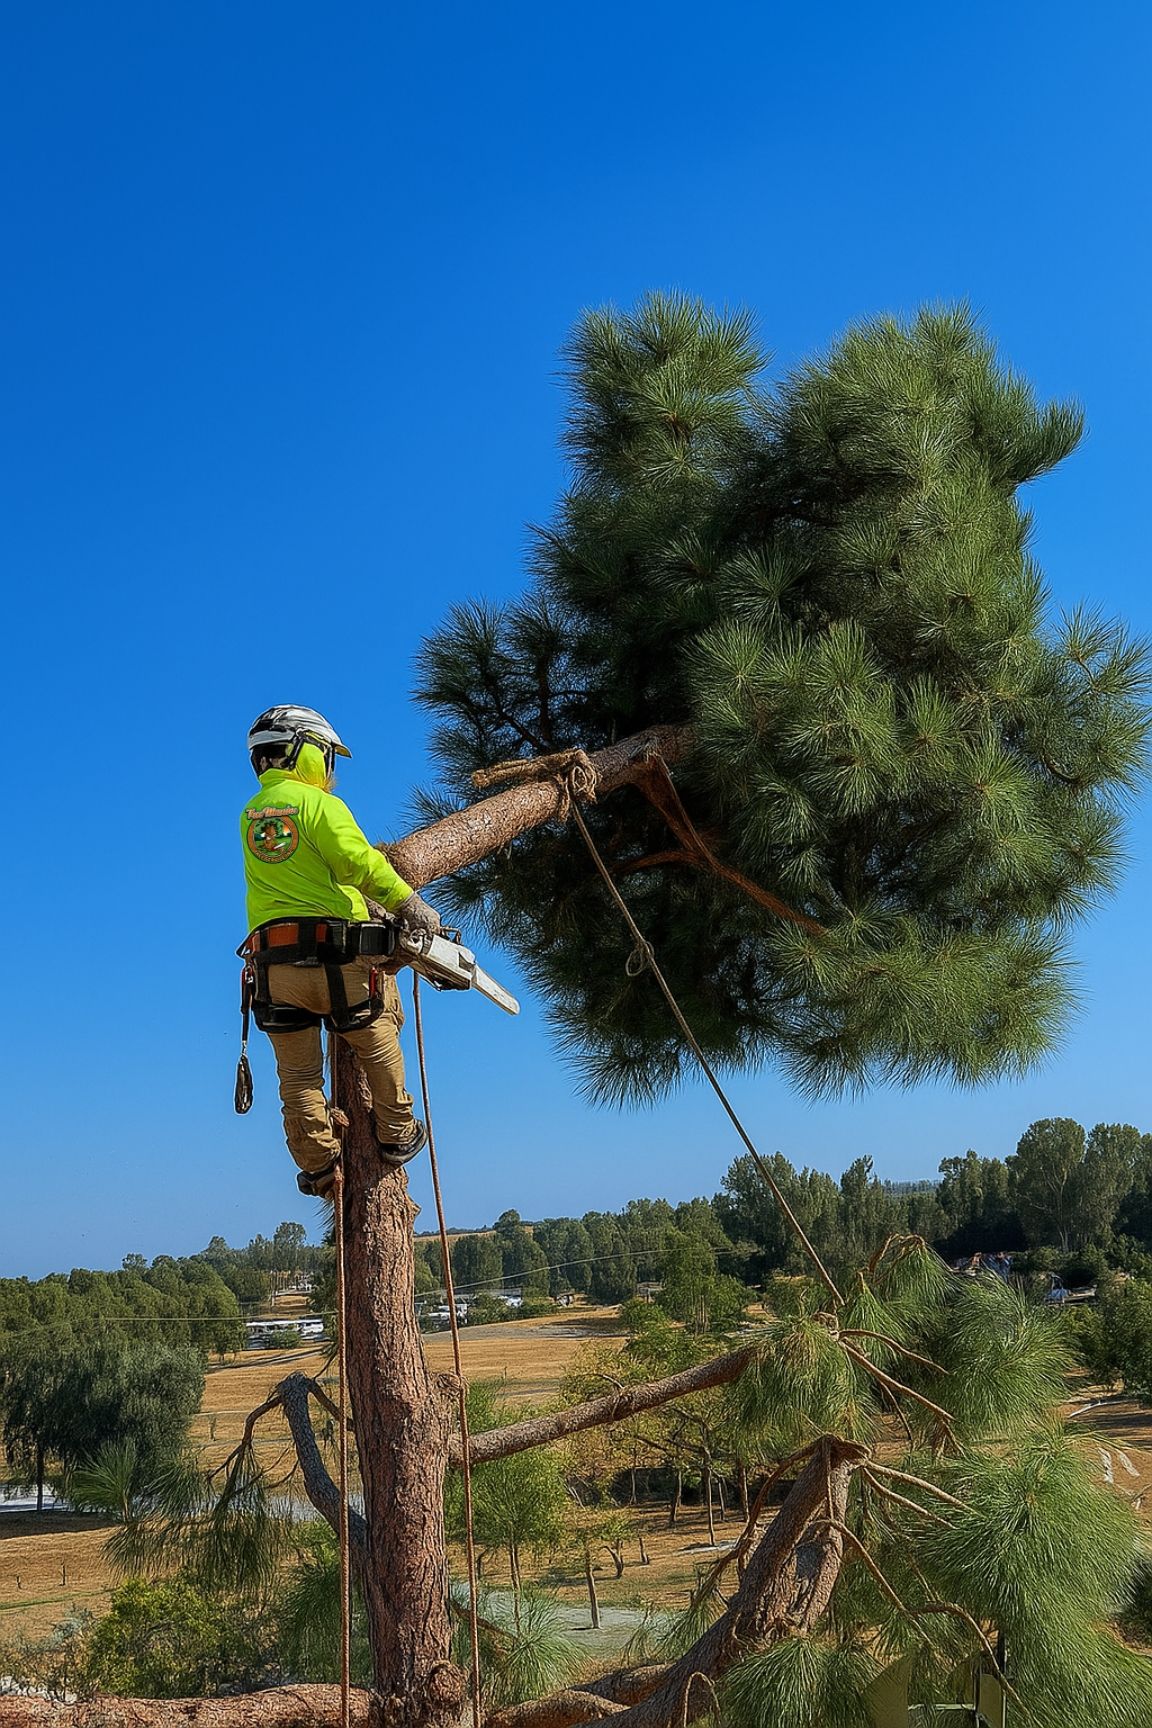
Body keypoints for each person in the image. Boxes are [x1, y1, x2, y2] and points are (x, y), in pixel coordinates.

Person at [239, 705, 441, 1197]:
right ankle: (397, 1133)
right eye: (327, 755)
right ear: (302, 750)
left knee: (300, 1075)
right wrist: (407, 902)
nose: (330, 768)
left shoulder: (251, 815)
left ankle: (317, 1162)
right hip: (338, 959)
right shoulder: (320, 806)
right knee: (378, 1036)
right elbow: (357, 862)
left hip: (275, 970)